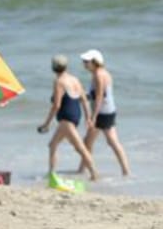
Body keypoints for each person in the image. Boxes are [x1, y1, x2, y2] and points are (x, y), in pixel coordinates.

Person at [37, 54, 98, 180]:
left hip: (66, 118)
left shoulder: (59, 82)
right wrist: (87, 117)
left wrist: (46, 124)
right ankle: (51, 174)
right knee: (53, 144)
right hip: (75, 115)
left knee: (80, 147)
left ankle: (94, 173)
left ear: (53, 68)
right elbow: (83, 99)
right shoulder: (74, 79)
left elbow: (57, 105)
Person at [78, 48, 130, 176]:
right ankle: (125, 171)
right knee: (110, 141)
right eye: (83, 61)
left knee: (89, 142)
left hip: (102, 113)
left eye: (86, 61)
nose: (84, 64)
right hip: (108, 111)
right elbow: (98, 95)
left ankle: (83, 170)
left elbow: (100, 97)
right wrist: (84, 96)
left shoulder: (98, 75)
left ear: (95, 62)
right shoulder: (102, 73)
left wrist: (93, 117)